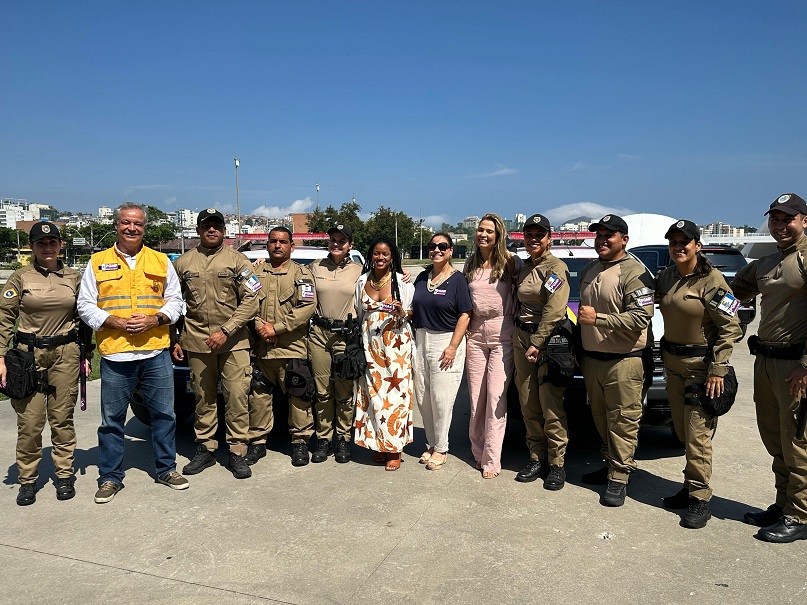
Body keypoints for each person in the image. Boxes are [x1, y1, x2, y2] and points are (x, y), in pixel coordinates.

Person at [77, 203, 187, 503]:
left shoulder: (160, 260)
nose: (132, 228)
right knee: (111, 421)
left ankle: (166, 469)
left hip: (155, 352)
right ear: (116, 225)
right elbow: (85, 305)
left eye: (137, 224)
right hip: (116, 354)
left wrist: (155, 319)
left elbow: (176, 301)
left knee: (164, 415)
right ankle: (110, 477)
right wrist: (113, 321)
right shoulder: (97, 261)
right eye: (126, 222)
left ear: (144, 228)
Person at [731, 193, 807, 543]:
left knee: (797, 442)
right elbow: (733, 292)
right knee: (776, 438)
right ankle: (783, 503)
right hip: (765, 361)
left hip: (796, 365)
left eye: (787, 219)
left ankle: (800, 514)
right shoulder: (766, 262)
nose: (780, 225)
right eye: (775, 219)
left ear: (803, 220)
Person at [656, 219, 741, 529]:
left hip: (700, 368)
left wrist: (718, 369)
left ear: (697, 246)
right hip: (672, 364)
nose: (678, 247)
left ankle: (701, 499)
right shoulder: (666, 277)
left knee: (697, 435)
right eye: (674, 242)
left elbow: (731, 326)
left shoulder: (713, 280)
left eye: (685, 242)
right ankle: (689, 485)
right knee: (681, 432)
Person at [0, 222, 93, 505]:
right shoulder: (20, 277)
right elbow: (4, 318)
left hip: (66, 353)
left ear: (61, 245)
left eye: (53, 242)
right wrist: (1, 357)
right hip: (28, 356)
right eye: (41, 243)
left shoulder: (74, 277)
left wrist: (86, 356)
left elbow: (85, 319)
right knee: (30, 422)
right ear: (32, 246)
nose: (47, 248)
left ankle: (64, 474)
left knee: (62, 418)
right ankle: (27, 480)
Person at [172, 209, 262, 479]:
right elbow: (172, 301)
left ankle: (237, 451)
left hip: (234, 342)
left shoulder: (238, 261)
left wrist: (227, 330)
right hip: (197, 341)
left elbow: (252, 299)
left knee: (237, 397)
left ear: (223, 230)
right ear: (198, 230)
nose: (211, 230)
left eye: (216, 226)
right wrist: (174, 338)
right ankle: (206, 448)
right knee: (203, 398)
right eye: (206, 226)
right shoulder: (183, 263)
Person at [578, 214, 654, 507]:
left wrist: (598, 319)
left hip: (624, 361)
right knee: (601, 419)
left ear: (624, 240)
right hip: (593, 360)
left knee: (623, 421)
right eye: (599, 235)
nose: (602, 240)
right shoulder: (590, 268)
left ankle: (620, 477)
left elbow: (640, 317)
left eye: (609, 235)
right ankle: (610, 464)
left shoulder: (636, 272)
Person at [248, 226, 317, 467]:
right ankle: (257, 443)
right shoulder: (254, 273)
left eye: (283, 242)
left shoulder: (302, 274)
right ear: (267, 244)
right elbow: (245, 302)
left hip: (292, 348)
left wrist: (276, 329)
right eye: (273, 241)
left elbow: (306, 307)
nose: (278, 245)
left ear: (292, 246)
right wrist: (261, 327)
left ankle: (300, 443)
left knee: (299, 397)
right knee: (258, 398)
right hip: (261, 349)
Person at [511, 214, 571, 489]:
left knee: (550, 404)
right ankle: (537, 457)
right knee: (528, 401)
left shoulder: (555, 268)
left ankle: (557, 464)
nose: (534, 239)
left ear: (549, 238)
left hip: (545, 341)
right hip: (521, 337)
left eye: (539, 235)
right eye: (529, 234)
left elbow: (555, 309)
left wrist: (537, 342)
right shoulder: (524, 268)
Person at [463, 214, 521, 479]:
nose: (483, 235)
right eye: (480, 230)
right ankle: (478, 452)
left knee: (496, 397)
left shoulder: (510, 262)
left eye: (489, 231)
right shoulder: (471, 263)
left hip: (502, 333)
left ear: (498, 235)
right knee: (477, 399)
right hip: (475, 334)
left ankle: (491, 459)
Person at [353, 236, 415, 471]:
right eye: (376, 253)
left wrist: (402, 312)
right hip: (370, 347)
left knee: (396, 398)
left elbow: (411, 312)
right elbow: (359, 313)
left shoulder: (402, 281)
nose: (380, 257)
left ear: (392, 257)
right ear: (371, 255)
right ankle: (379, 444)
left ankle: (395, 449)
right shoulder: (362, 281)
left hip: (396, 348)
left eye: (385, 254)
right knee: (373, 396)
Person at [412, 233, 473, 471]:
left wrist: (453, 347)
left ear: (450, 251)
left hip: (445, 341)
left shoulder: (458, 280)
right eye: (433, 246)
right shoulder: (421, 277)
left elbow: (465, 314)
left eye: (442, 246)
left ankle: (441, 447)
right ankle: (431, 443)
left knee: (441, 398)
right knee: (423, 397)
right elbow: (413, 307)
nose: (436, 250)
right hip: (420, 338)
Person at [309, 224, 364, 464]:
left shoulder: (359, 270)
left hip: (345, 336)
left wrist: (403, 275)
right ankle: (323, 439)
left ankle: (343, 437)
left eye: (342, 241)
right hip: (319, 335)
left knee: (343, 391)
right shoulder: (315, 267)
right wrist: (259, 265)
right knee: (322, 392)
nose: (336, 244)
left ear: (350, 245)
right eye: (333, 239)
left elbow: (383, 280)